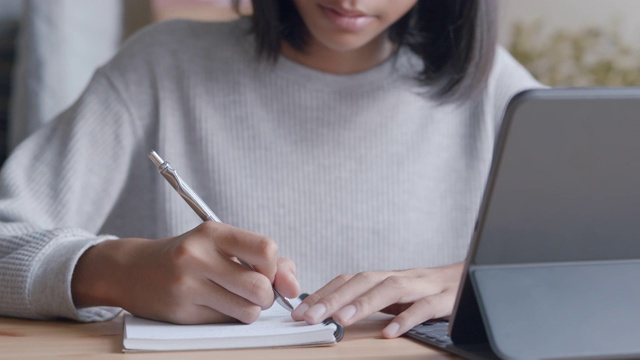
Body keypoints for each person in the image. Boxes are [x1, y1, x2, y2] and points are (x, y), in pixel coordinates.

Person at [0, 0, 541, 339]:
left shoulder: (495, 88)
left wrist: (478, 281)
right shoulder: (160, 68)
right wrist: (115, 269)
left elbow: (615, 261)